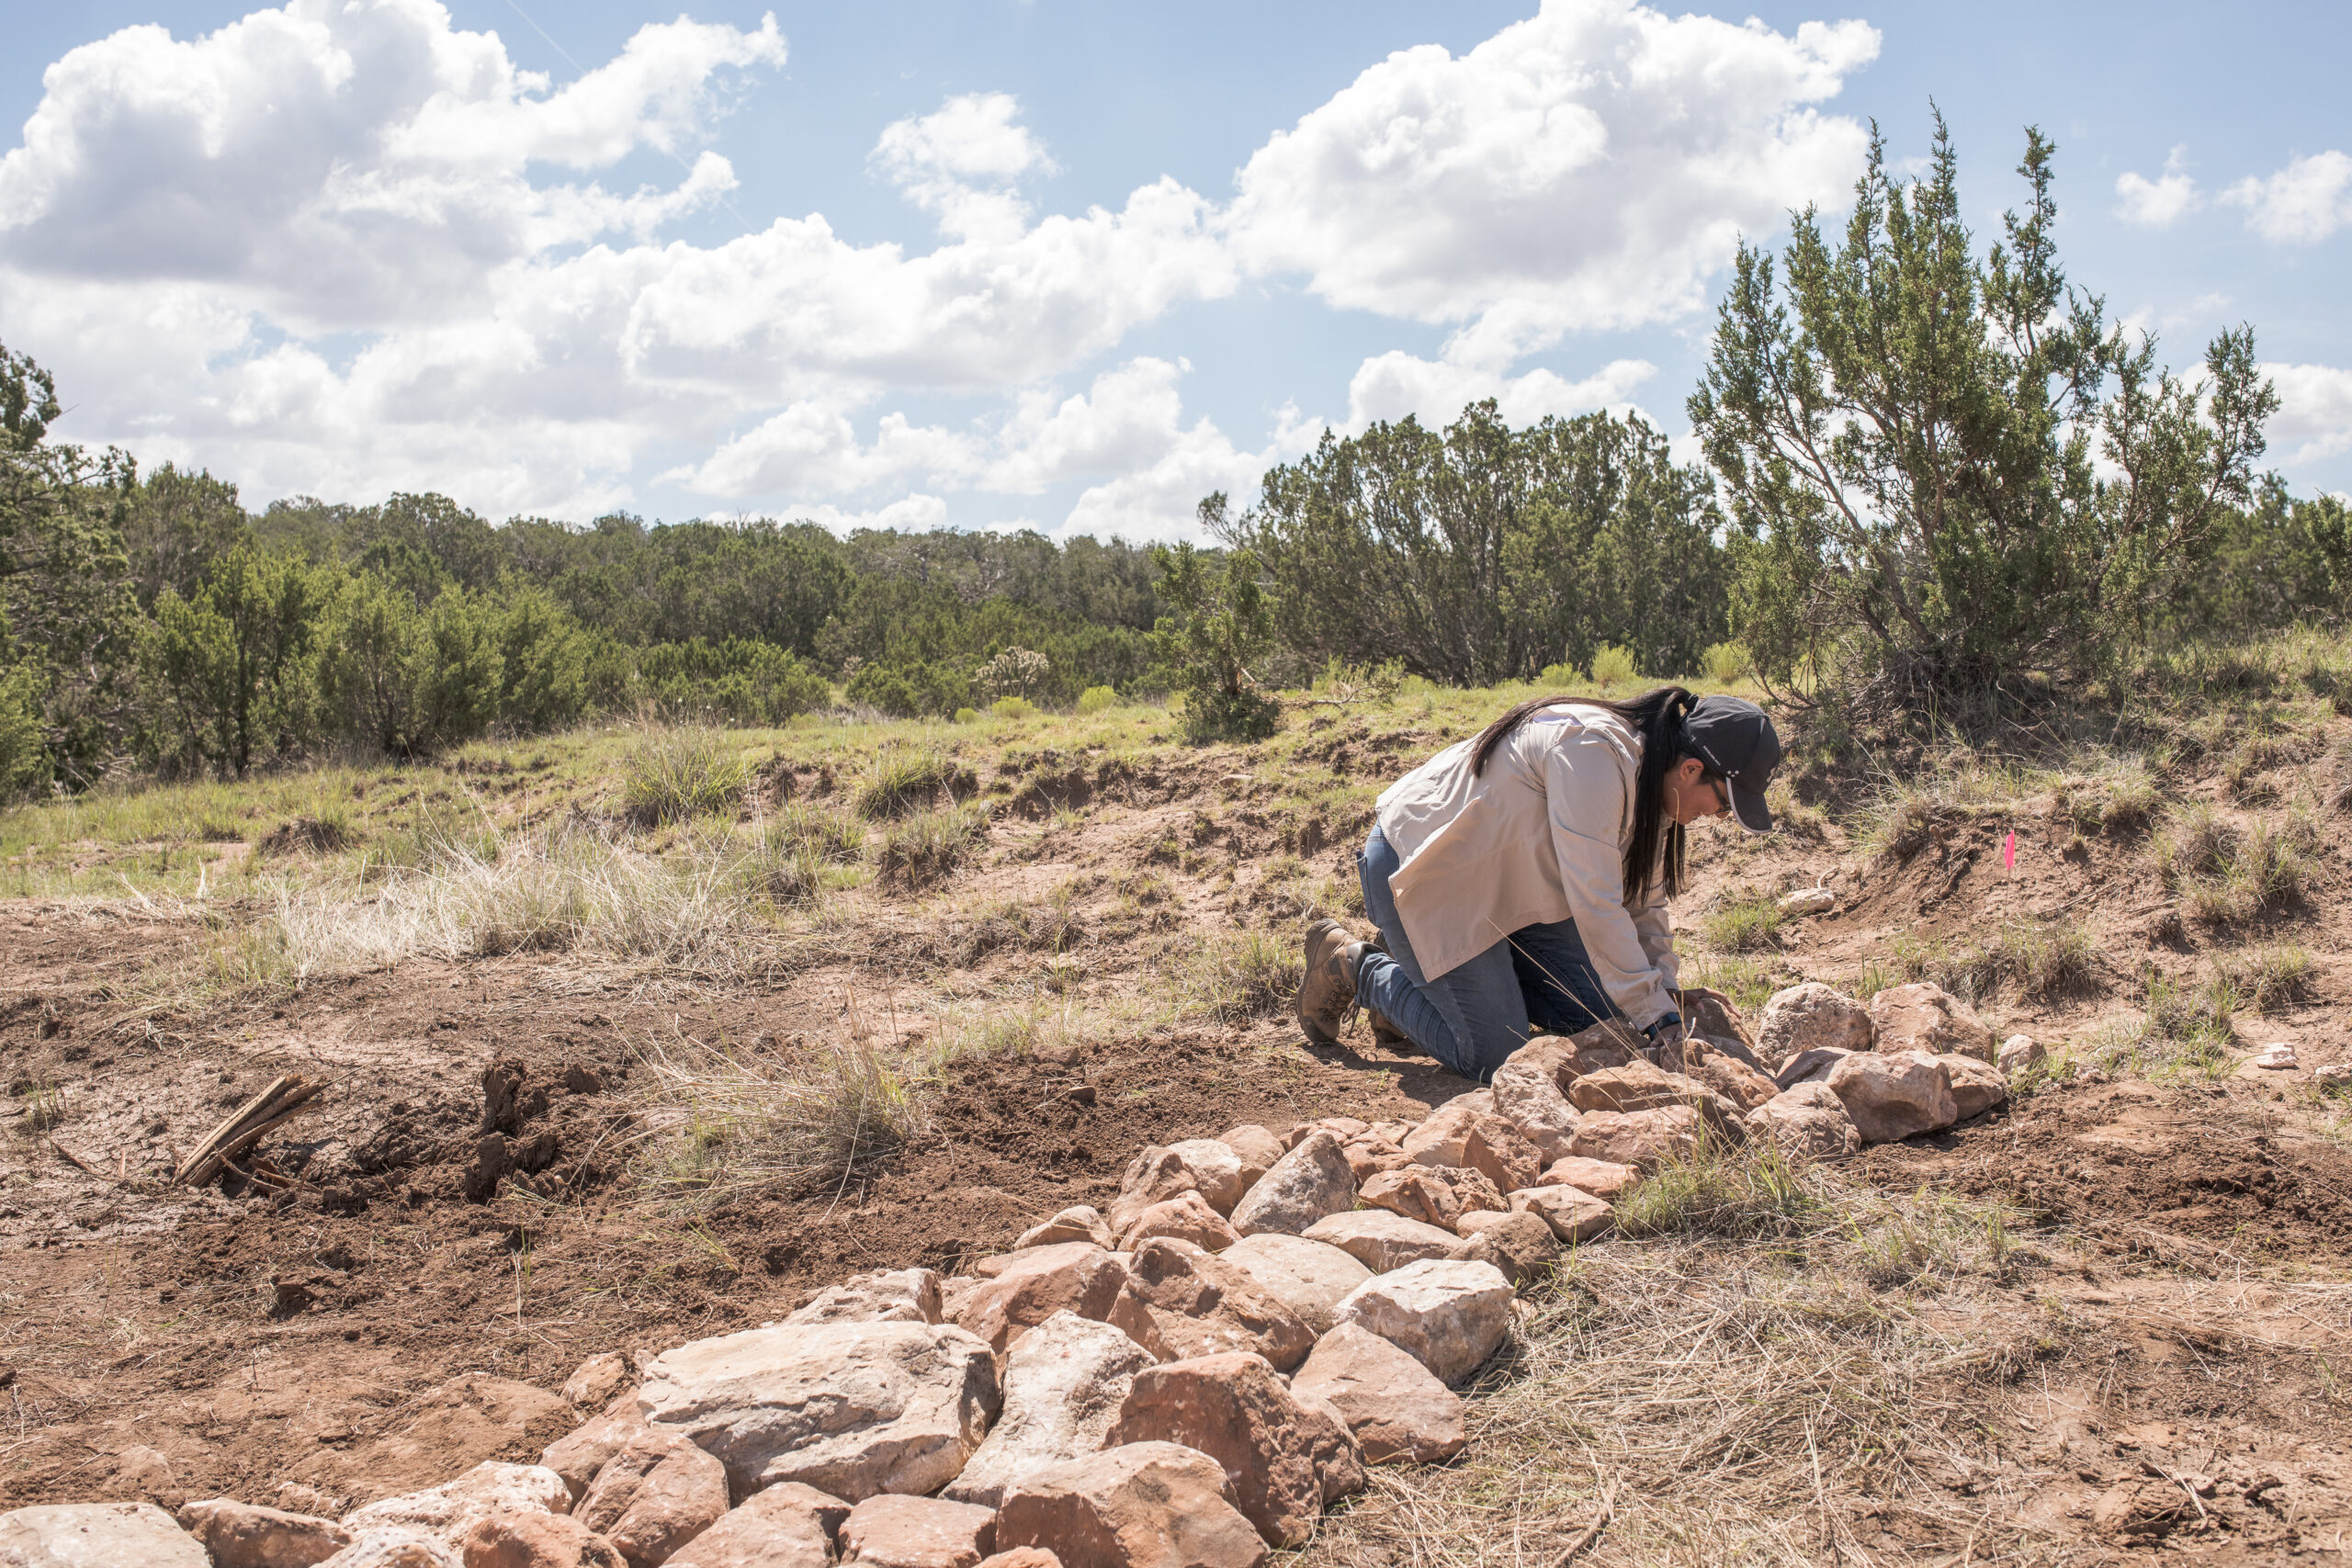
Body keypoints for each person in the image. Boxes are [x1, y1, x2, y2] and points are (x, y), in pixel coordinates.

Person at [1295, 685, 1782, 1082]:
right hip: (1426, 872)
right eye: (1722, 804)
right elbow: (1597, 901)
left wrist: (1663, 995)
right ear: (1692, 769)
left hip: (1514, 894)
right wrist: (1660, 1018)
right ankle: (1359, 966)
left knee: (1614, 1023)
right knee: (1497, 1057)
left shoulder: (1658, 781)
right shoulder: (1593, 754)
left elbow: (1644, 904)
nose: (1716, 817)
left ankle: (1428, 984)